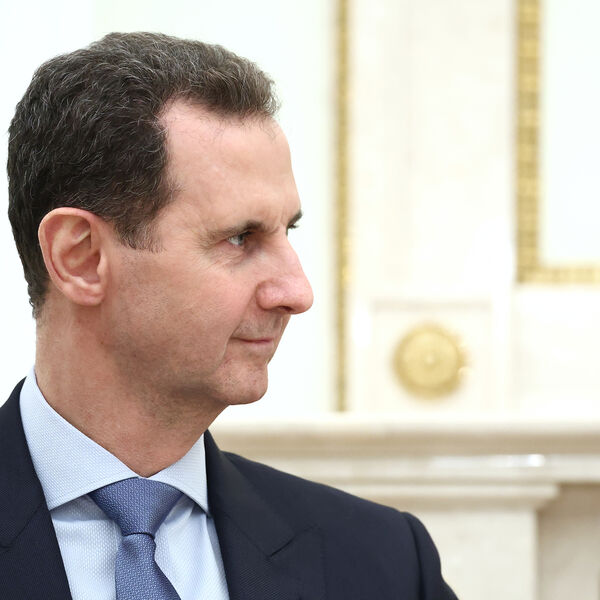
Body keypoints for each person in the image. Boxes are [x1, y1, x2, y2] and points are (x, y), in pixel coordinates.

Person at [1, 32, 457, 599]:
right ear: (82, 257)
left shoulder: (381, 561)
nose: (297, 292)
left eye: (288, 231)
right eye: (240, 238)